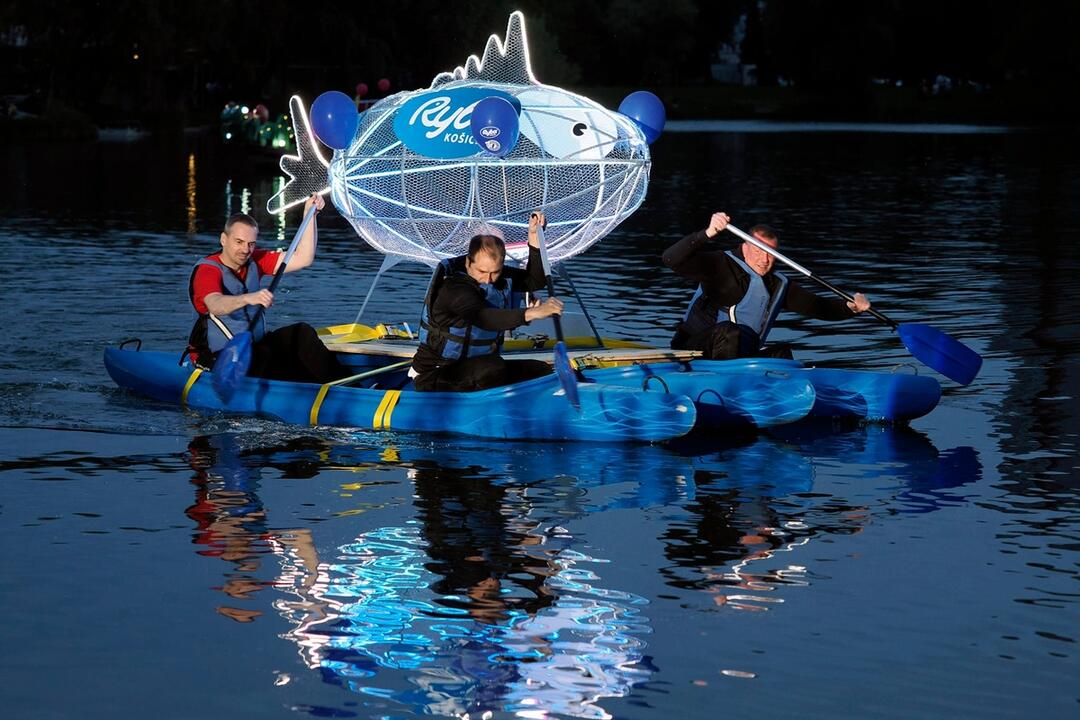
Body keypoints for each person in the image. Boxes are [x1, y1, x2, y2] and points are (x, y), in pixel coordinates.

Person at [186, 194, 350, 383]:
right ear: (224, 239)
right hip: (217, 356)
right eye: (238, 242)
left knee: (301, 333)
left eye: (251, 244)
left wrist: (309, 215)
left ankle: (346, 385)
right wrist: (249, 298)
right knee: (265, 358)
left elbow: (303, 258)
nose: (245, 250)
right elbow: (215, 304)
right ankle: (306, 387)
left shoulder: (255, 259)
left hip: (254, 347)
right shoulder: (207, 270)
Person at [662, 212, 871, 360]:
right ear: (745, 246)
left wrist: (851, 307)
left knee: (781, 354)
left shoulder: (777, 284)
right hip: (695, 352)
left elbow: (818, 306)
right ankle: (727, 389)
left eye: (772, 253)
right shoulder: (720, 265)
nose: (765, 259)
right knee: (729, 332)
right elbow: (671, 259)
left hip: (739, 358)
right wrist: (706, 234)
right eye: (759, 250)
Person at [411, 212, 564, 392]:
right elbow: (483, 317)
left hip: (477, 367)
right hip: (437, 371)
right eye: (482, 271)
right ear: (468, 262)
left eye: (496, 272)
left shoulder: (498, 277)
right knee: (493, 368)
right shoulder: (454, 288)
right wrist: (532, 313)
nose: (488, 279)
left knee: (541, 370)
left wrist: (535, 237)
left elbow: (535, 280)